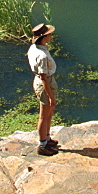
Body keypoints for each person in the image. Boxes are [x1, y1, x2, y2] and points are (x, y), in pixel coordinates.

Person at [28, 23, 59, 155]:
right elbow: (43, 78)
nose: (51, 36)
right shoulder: (42, 56)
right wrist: (51, 96)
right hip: (45, 84)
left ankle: (47, 138)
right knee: (43, 115)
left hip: (47, 81)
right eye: (49, 34)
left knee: (49, 113)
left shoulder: (35, 48)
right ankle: (42, 145)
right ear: (44, 37)